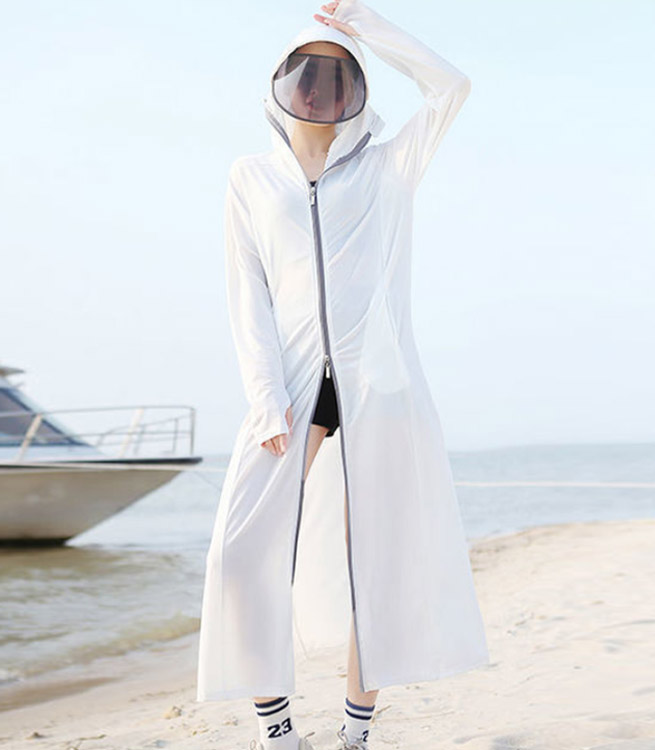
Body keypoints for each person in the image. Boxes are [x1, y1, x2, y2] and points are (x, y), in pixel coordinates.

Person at [196, 2, 491, 749]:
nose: (321, 90)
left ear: (357, 88)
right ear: (282, 83)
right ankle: (277, 731)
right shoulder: (249, 178)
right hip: (291, 388)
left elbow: (451, 87)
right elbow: (247, 296)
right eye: (308, 74)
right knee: (240, 552)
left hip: (380, 386)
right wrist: (264, 398)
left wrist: (366, 25)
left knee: (381, 561)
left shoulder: (390, 165)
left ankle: (355, 732)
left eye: (338, 76)